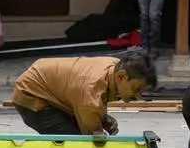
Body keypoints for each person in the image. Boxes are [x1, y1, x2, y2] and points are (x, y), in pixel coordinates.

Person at [11, 50, 157, 137]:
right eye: (136, 89)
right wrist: (96, 124)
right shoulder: (92, 93)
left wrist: (101, 117)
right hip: (30, 94)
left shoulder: (115, 64)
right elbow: (94, 138)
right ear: (121, 76)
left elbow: (89, 100)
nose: (138, 97)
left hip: (51, 86)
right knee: (77, 143)